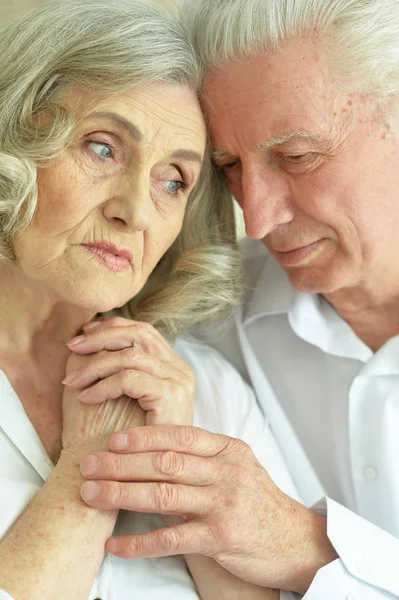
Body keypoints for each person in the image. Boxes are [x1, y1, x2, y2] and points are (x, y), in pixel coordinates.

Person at [72, 1, 399, 599]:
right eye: (227, 166)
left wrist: (306, 547)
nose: (258, 216)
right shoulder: (194, 319)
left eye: (297, 157)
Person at [0, 1, 300, 599]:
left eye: (173, 181)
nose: (136, 211)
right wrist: (94, 463)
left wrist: (182, 480)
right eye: (103, 147)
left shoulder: (208, 391)